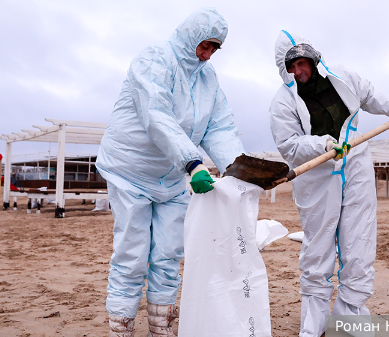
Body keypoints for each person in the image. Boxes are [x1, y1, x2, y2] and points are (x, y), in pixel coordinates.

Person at [96, 8, 245, 337]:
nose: (206, 55)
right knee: (132, 253)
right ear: (191, 37)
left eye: (214, 49)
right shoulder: (154, 59)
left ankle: (161, 327)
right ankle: (120, 327)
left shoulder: (208, 79)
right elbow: (156, 114)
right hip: (130, 170)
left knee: (168, 253)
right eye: (204, 46)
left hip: (173, 177)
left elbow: (219, 127)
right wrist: (193, 163)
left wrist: (241, 167)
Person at [269, 31, 389, 337]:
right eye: (290, 68)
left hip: (356, 163)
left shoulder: (343, 78)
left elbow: (370, 94)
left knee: (359, 243)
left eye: (300, 64)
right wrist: (321, 145)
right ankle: (315, 323)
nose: (297, 72)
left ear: (311, 58)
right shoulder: (282, 102)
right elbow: (289, 146)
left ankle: (350, 322)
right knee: (317, 250)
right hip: (317, 176)